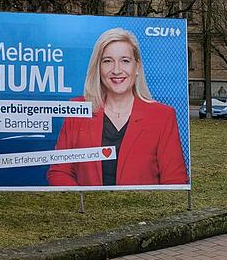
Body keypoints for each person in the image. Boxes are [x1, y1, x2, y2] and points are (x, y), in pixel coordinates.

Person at [47, 28, 189, 186]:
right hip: (87, 208)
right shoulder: (78, 109)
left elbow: (175, 181)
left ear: (137, 67)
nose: (116, 70)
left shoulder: (162, 116)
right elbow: (60, 171)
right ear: (98, 67)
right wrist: (85, 204)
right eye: (107, 61)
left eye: (125, 61)